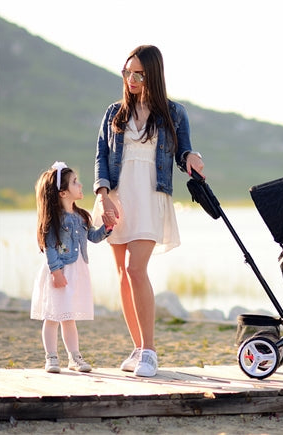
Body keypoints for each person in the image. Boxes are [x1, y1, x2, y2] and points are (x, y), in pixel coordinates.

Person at [92, 45, 205, 377]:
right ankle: (138, 347)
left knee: (136, 269)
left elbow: (183, 151)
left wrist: (192, 157)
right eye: (127, 72)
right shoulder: (114, 113)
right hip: (117, 197)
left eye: (139, 74)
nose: (131, 79)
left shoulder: (174, 113)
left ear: (153, 75)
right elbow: (101, 156)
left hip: (151, 197)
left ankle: (150, 351)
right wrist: (103, 196)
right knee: (122, 274)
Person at [31, 162, 112, 373]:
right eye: (75, 182)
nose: (80, 184)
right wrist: (56, 272)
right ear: (63, 193)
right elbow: (49, 246)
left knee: (69, 317)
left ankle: (74, 357)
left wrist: (107, 227)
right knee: (52, 317)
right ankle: (51, 357)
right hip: (60, 272)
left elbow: (93, 237)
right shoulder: (54, 219)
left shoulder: (82, 216)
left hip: (77, 272)